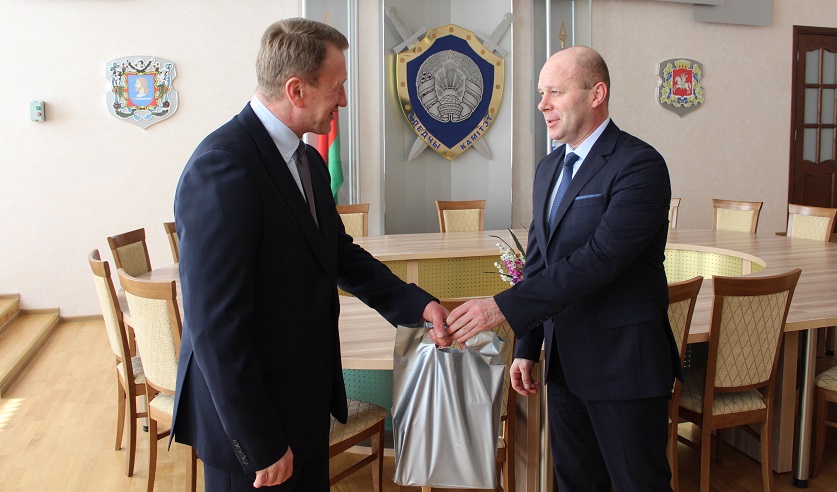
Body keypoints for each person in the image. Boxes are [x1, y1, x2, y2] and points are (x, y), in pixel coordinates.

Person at [171, 18, 448, 491]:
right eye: (336, 87)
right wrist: (260, 441)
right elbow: (214, 326)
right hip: (255, 425)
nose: (344, 100)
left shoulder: (308, 161)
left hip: (305, 403)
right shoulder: (223, 166)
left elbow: (337, 254)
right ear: (296, 90)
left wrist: (415, 305)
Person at [446, 46, 679, 491]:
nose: (542, 105)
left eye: (555, 91)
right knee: (576, 483)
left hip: (623, 367)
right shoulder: (550, 167)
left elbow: (600, 259)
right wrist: (527, 345)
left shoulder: (639, 165)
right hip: (565, 366)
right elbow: (538, 261)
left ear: (596, 94)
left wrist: (502, 307)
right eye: (541, 93)